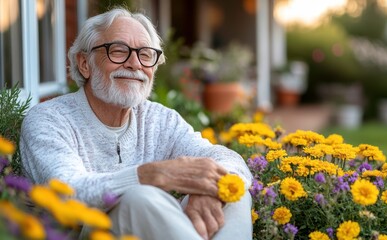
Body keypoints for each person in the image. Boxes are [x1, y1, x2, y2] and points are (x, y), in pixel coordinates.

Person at [20, 7, 253, 240]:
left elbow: (226, 158)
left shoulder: (159, 119)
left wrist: (211, 190)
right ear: (84, 64)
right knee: (137, 198)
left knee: (233, 192)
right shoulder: (48, 119)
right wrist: (149, 175)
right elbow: (69, 192)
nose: (135, 64)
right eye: (119, 51)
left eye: (145, 54)